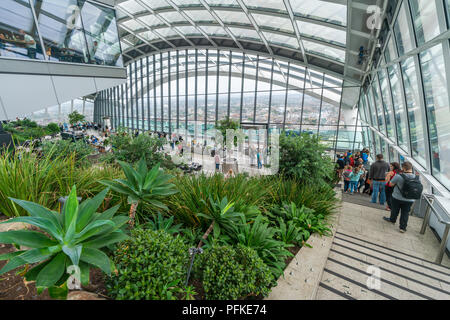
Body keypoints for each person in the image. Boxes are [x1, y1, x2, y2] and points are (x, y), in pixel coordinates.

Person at [383, 162, 419, 233]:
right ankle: (402, 228)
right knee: (405, 213)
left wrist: (388, 177)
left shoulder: (399, 176)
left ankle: (392, 220)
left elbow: (390, 184)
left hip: (397, 197)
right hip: (410, 199)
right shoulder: (416, 177)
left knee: (395, 210)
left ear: (404, 168)